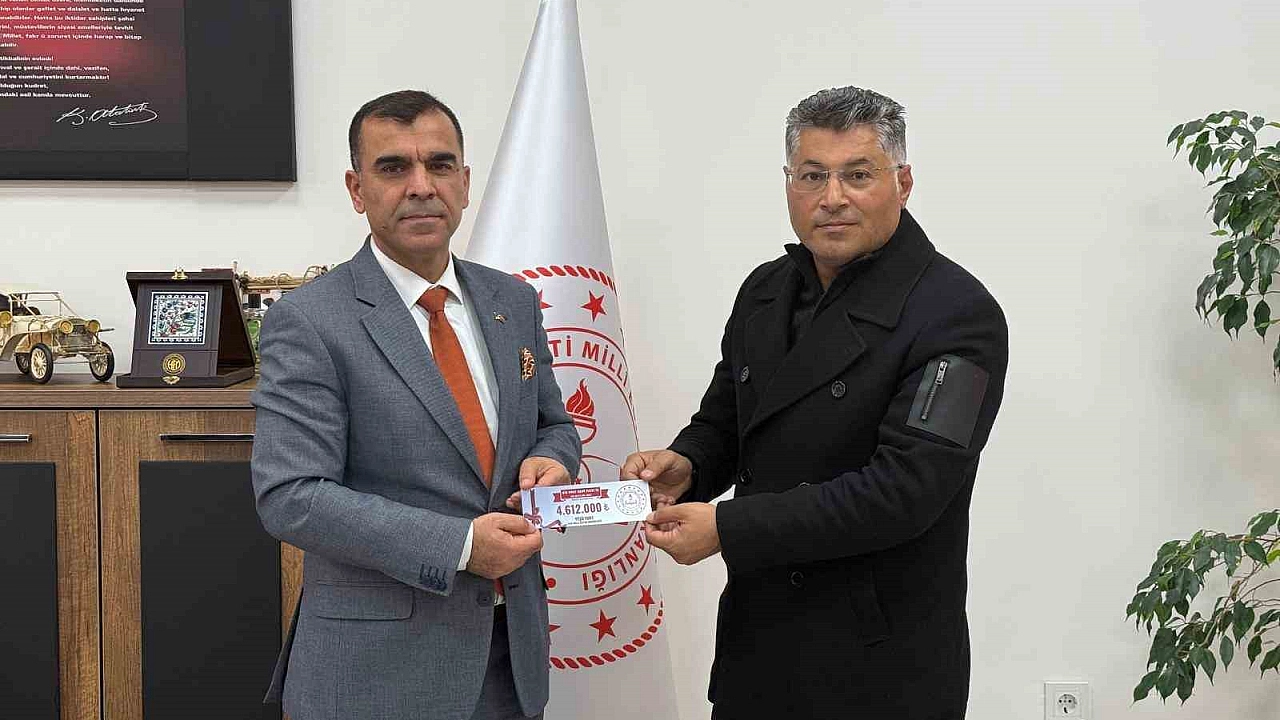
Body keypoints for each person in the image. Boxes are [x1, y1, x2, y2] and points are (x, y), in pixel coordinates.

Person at [624, 86, 1009, 718]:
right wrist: (688, 464)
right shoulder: (765, 291)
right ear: (788, 184)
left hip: (879, 666)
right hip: (758, 650)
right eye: (812, 176)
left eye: (857, 175)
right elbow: (728, 420)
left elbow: (904, 493)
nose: (832, 198)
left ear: (903, 182)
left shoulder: (959, 314)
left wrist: (727, 528)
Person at [251, 90, 581, 720]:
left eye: (439, 164)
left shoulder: (512, 300)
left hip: (511, 662)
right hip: (376, 676)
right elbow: (291, 495)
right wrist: (459, 546)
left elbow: (553, 425)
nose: (422, 186)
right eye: (393, 167)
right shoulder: (309, 320)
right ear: (357, 189)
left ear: (465, 182)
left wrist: (552, 460)